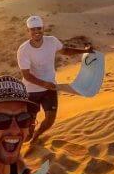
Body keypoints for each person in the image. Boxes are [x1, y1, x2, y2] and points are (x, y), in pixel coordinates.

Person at [17, 15, 92, 143]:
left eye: (39, 28)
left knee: (50, 120)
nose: (36, 31)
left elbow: (66, 51)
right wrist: (44, 83)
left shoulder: (52, 41)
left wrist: (85, 51)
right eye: (33, 29)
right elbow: (26, 75)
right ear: (28, 31)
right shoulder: (23, 50)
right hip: (31, 91)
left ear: (43, 28)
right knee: (28, 130)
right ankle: (29, 135)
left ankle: (36, 136)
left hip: (49, 89)